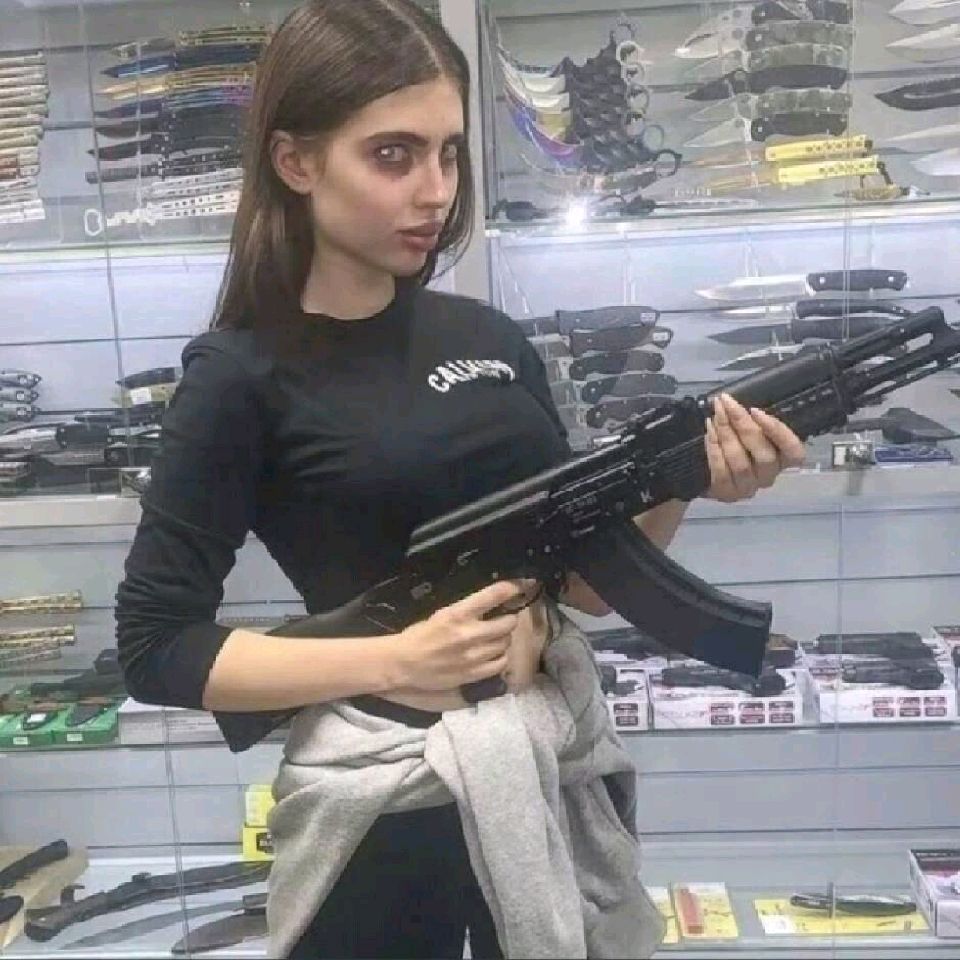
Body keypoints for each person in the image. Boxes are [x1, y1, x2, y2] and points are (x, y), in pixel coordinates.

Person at [114, 1, 807, 958]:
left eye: (448, 153)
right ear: (296, 162)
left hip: (547, 776)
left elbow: (586, 585)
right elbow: (156, 645)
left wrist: (685, 480)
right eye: (392, 156)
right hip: (382, 813)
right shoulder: (240, 374)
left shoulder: (489, 338)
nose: (435, 191)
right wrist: (396, 660)